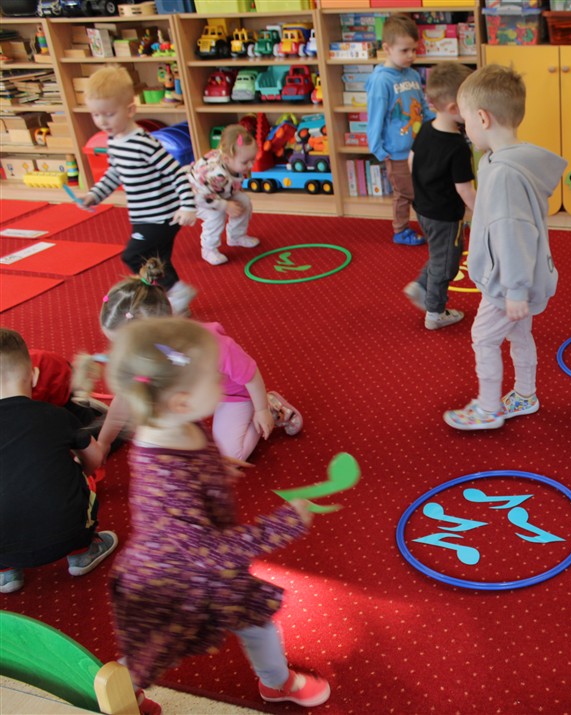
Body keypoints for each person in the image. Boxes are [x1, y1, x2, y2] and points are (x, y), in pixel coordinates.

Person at [105, 318, 329, 713]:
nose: (223, 382)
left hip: (189, 560)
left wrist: (214, 466)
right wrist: (283, 525)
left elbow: (192, 459)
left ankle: (275, 682)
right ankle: (117, 693)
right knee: (158, 646)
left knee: (247, 621)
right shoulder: (167, 473)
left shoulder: (174, 424)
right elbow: (208, 549)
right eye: (213, 378)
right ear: (182, 400)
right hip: (176, 575)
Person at [443, 64, 566, 430]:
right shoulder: (507, 160)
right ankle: (525, 395)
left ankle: (488, 408)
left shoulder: (503, 174)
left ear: (483, 118)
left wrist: (514, 289)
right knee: (519, 334)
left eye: (466, 121)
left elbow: (514, 235)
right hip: (518, 278)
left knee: (483, 337)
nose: (465, 129)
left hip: (509, 282)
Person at [90, 259, 302, 461]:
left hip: (233, 394)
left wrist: (261, 410)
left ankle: (272, 406)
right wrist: (104, 442)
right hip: (191, 395)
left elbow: (250, 375)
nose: (124, 352)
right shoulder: (143, 352)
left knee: (229, 457)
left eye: (128, 344)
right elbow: (124, 398)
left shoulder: (210, 344)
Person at [0, 328, 115, 595]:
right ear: (34, 375)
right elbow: (95, 458)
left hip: (4, 547)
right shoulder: (55, 414)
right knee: (77, 475)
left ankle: (6, 573)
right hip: (67, 533)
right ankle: (82, 553)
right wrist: (79, 472)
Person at [79, 65, 198, 315]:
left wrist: (188, 206)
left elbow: (177, 172)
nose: (102, 122)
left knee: (133, 256)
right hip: (143, 215)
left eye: (109, 114)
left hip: (161, 216)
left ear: (130, 109)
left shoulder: (143, 143)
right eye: (96, 115)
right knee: (157, 260)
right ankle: (175, 300)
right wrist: (94, 194)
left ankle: (174, 291)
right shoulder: (114, 140)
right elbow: (114, 173)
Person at [403, 61, 476, 330]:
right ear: (455, 109)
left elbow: (412, 161)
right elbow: (465, 190)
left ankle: (421, 285)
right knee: (448, 263)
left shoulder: (426, 127)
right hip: (445, 216)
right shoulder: (457, 147)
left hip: (423, 208)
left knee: (439, 253)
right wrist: (485, 214)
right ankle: (435, 313)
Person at [367, 13, 434, 246]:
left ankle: (431, 224)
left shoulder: (413, 75)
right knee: (405, 192)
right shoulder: (381, 81)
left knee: (422, 188)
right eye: (404, 50)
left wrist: (441, 121)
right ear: (387, 48)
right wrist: (377, 148)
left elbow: (423, 107)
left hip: (418, 146)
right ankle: (401, 229)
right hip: (396, 151)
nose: (411, 55)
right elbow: (375, 116)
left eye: (414, 50)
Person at [188, 124, 260, 266]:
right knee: (216, 215)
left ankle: (236, 236)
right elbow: (203, 196)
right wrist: (225, 205)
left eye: (253, 160)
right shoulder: (216, 173)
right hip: (196, 197)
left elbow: (230, 183)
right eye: (246, 162)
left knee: (244, 201)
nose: (251, 165)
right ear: (226, 159)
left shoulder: (232, 162)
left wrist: (231, 198)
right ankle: (208, 249)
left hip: (219, 191)